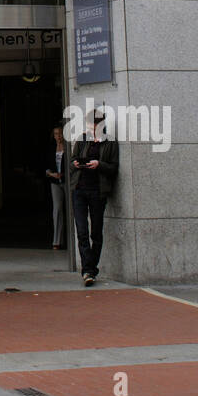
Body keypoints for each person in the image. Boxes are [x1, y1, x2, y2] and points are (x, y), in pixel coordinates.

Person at [71, 108, 119, 286]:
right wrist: (76, 163)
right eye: (89, 124)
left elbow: (114, 167)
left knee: (95, 232)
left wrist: (99, 164)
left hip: (98, 191)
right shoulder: (82, 139)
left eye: (94, 124)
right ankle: (87, 271)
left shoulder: (110, 142)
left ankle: (91, 268)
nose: (91, 127)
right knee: (82, 232)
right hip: (79, 189)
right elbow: (72, 160)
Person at [46, 122, 67, 250]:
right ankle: (57, 241)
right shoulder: (50, 148)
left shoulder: (68, 147)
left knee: (71, 209)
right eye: (56, 134)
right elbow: (46, 166)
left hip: (66, 180)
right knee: (57, 209)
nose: (58, 136)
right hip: (55, 182)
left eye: (60, 134)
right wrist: (51, 174)